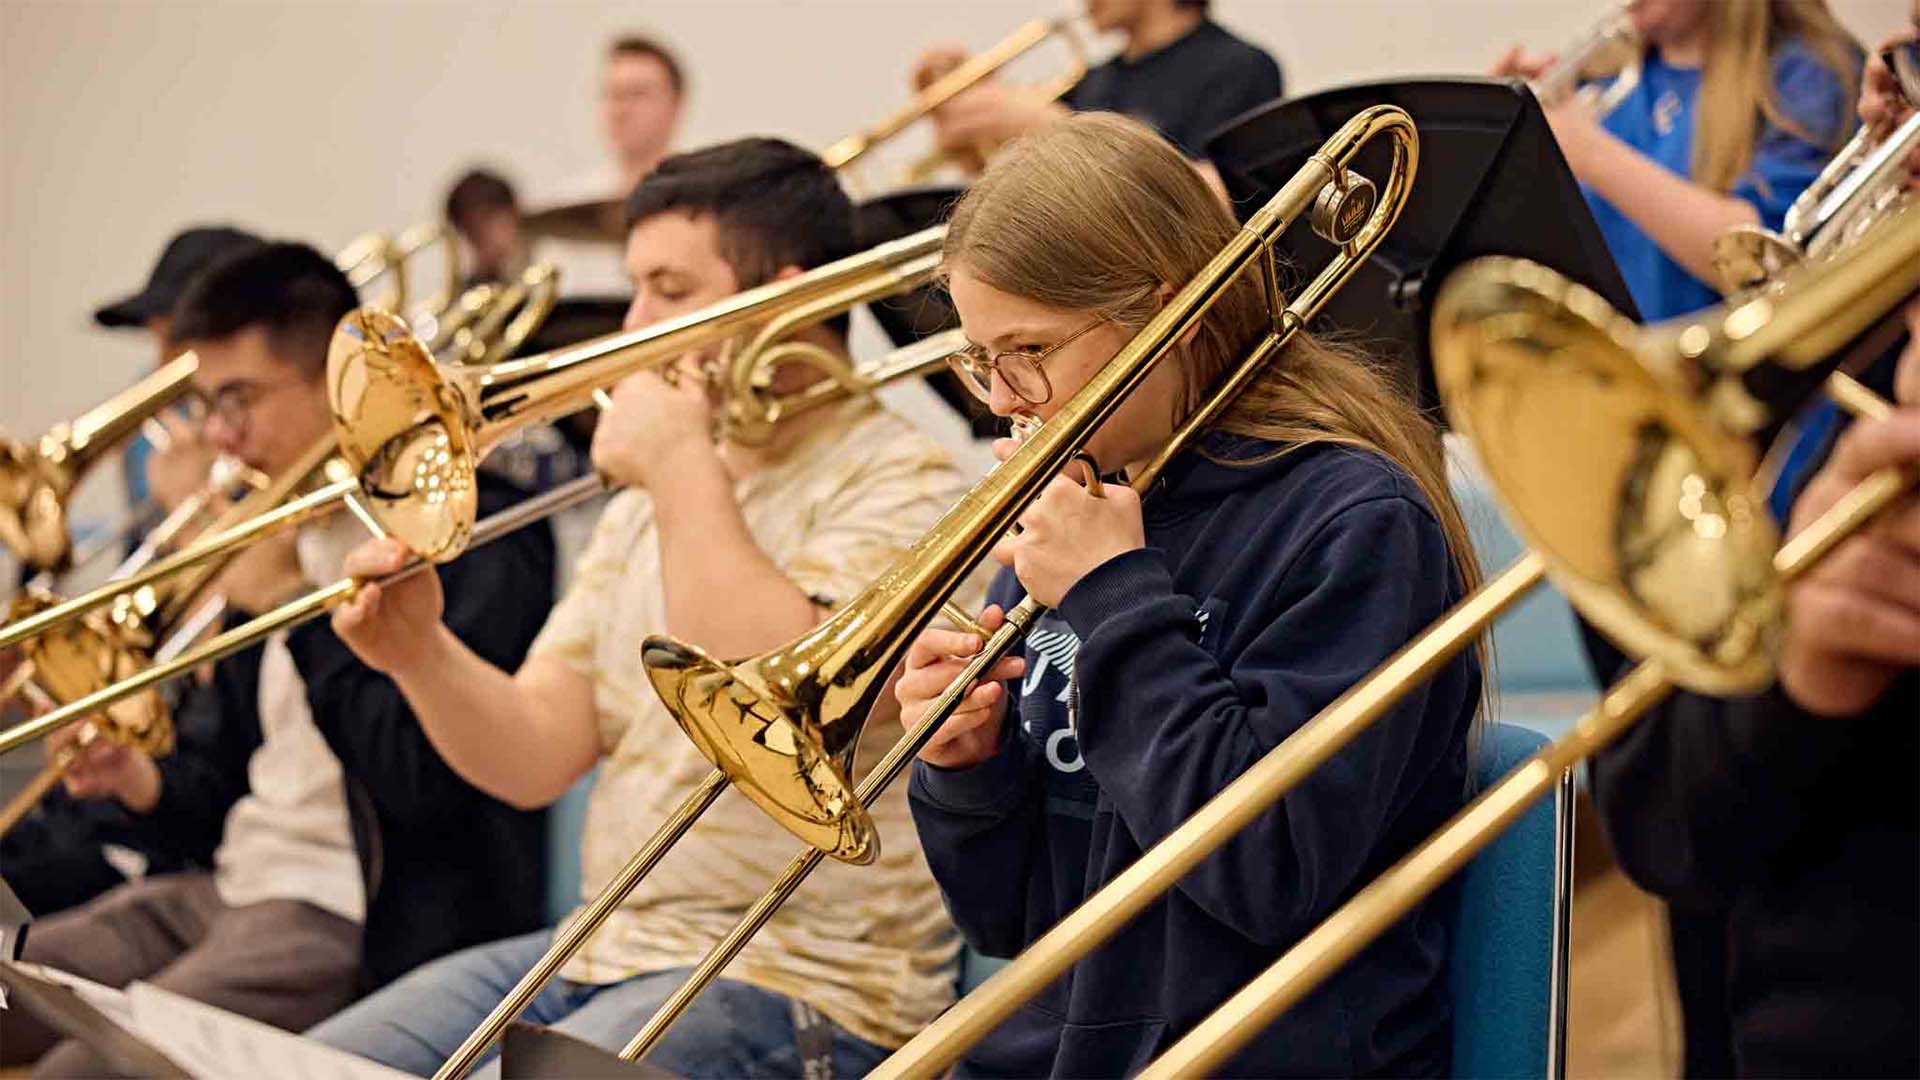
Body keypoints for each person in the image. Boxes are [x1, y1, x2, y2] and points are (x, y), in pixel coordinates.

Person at [309, 138, 973, 1078]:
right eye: (636, 288)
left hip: (809, 982)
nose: (632, 326)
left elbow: (769, 701)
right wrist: (420, 652)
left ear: (781, 300)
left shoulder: (911, 481)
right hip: (599, 946)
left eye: (669, 289)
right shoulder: (650, 502)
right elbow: (538, 754)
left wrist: (676, 464)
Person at [899, 113, 1485, 1078]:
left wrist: (1113, 601)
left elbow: (1267, 873)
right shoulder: (1079, 503)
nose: (1000, 400)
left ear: (1168, 315)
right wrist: (969, 769)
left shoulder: (1355, 522)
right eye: (980, 359)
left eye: (1029, 351)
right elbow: (1015, 924)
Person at [0, 243, 557, 1078]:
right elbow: (220, 789)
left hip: (354, 915)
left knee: (79, 1073)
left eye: (238, 401)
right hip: (228, 888)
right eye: (206, 405)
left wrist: (289, 607)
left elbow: (425, 784)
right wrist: (134, 777)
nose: (219, 436)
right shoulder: (273, 523)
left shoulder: (478, 530)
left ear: (336, 378)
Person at [1492, 0, 1862, 322]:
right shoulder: (1608, 80)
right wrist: (1498, 143)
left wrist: (1588, 150)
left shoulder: (1810, 75)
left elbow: (1767, 257)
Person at [916, 0, 1282, 164]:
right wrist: (968, 117)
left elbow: (1214, 206)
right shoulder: (1091, 81)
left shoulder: (1243, 68)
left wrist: (1057, 128)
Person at [444, 168, 526, 286]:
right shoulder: (467, 291)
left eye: (493, 222)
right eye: (472, 231)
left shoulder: (542, 266)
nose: (482, 239)